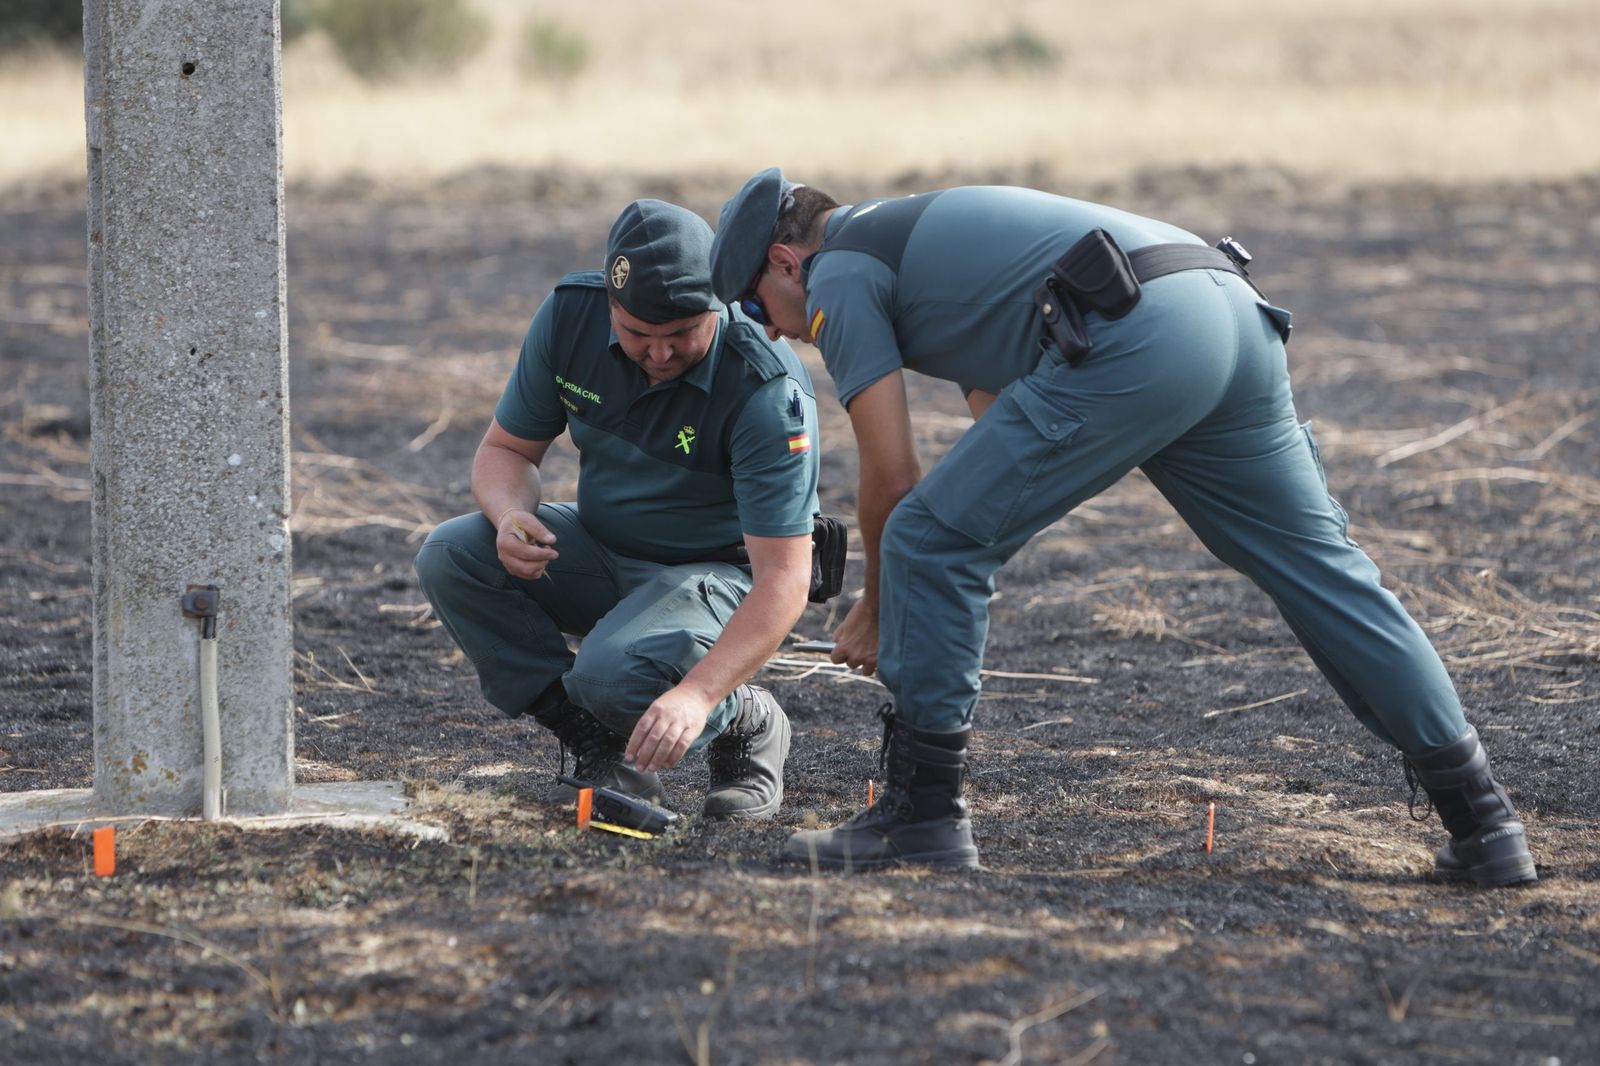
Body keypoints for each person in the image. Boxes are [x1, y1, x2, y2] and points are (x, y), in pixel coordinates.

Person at [708, 168, 1537, 885]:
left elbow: (892, 478)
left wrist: (881, 605)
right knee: (1323, 569)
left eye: (758, 305)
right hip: (1227, 310)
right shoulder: (913, 236)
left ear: (787, 261)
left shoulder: (840, 274)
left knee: (927, 538)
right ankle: (1487, 824)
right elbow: (996, 409)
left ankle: (923, 818)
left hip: (1142, 330)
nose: (773, 329)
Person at [416, 198, 821, 819]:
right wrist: (509, 517)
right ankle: (598, 741)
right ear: (610, 305)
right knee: (452, 554)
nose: (658, 355)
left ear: (718, 305)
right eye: (638, 335)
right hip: (603, 547)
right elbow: (505, 453)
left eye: (682, 333)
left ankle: (749, 720)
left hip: (714, 576)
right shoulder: (569, 317)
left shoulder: (764, 387)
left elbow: (785, 578)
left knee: (610, 677)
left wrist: (698, 693)